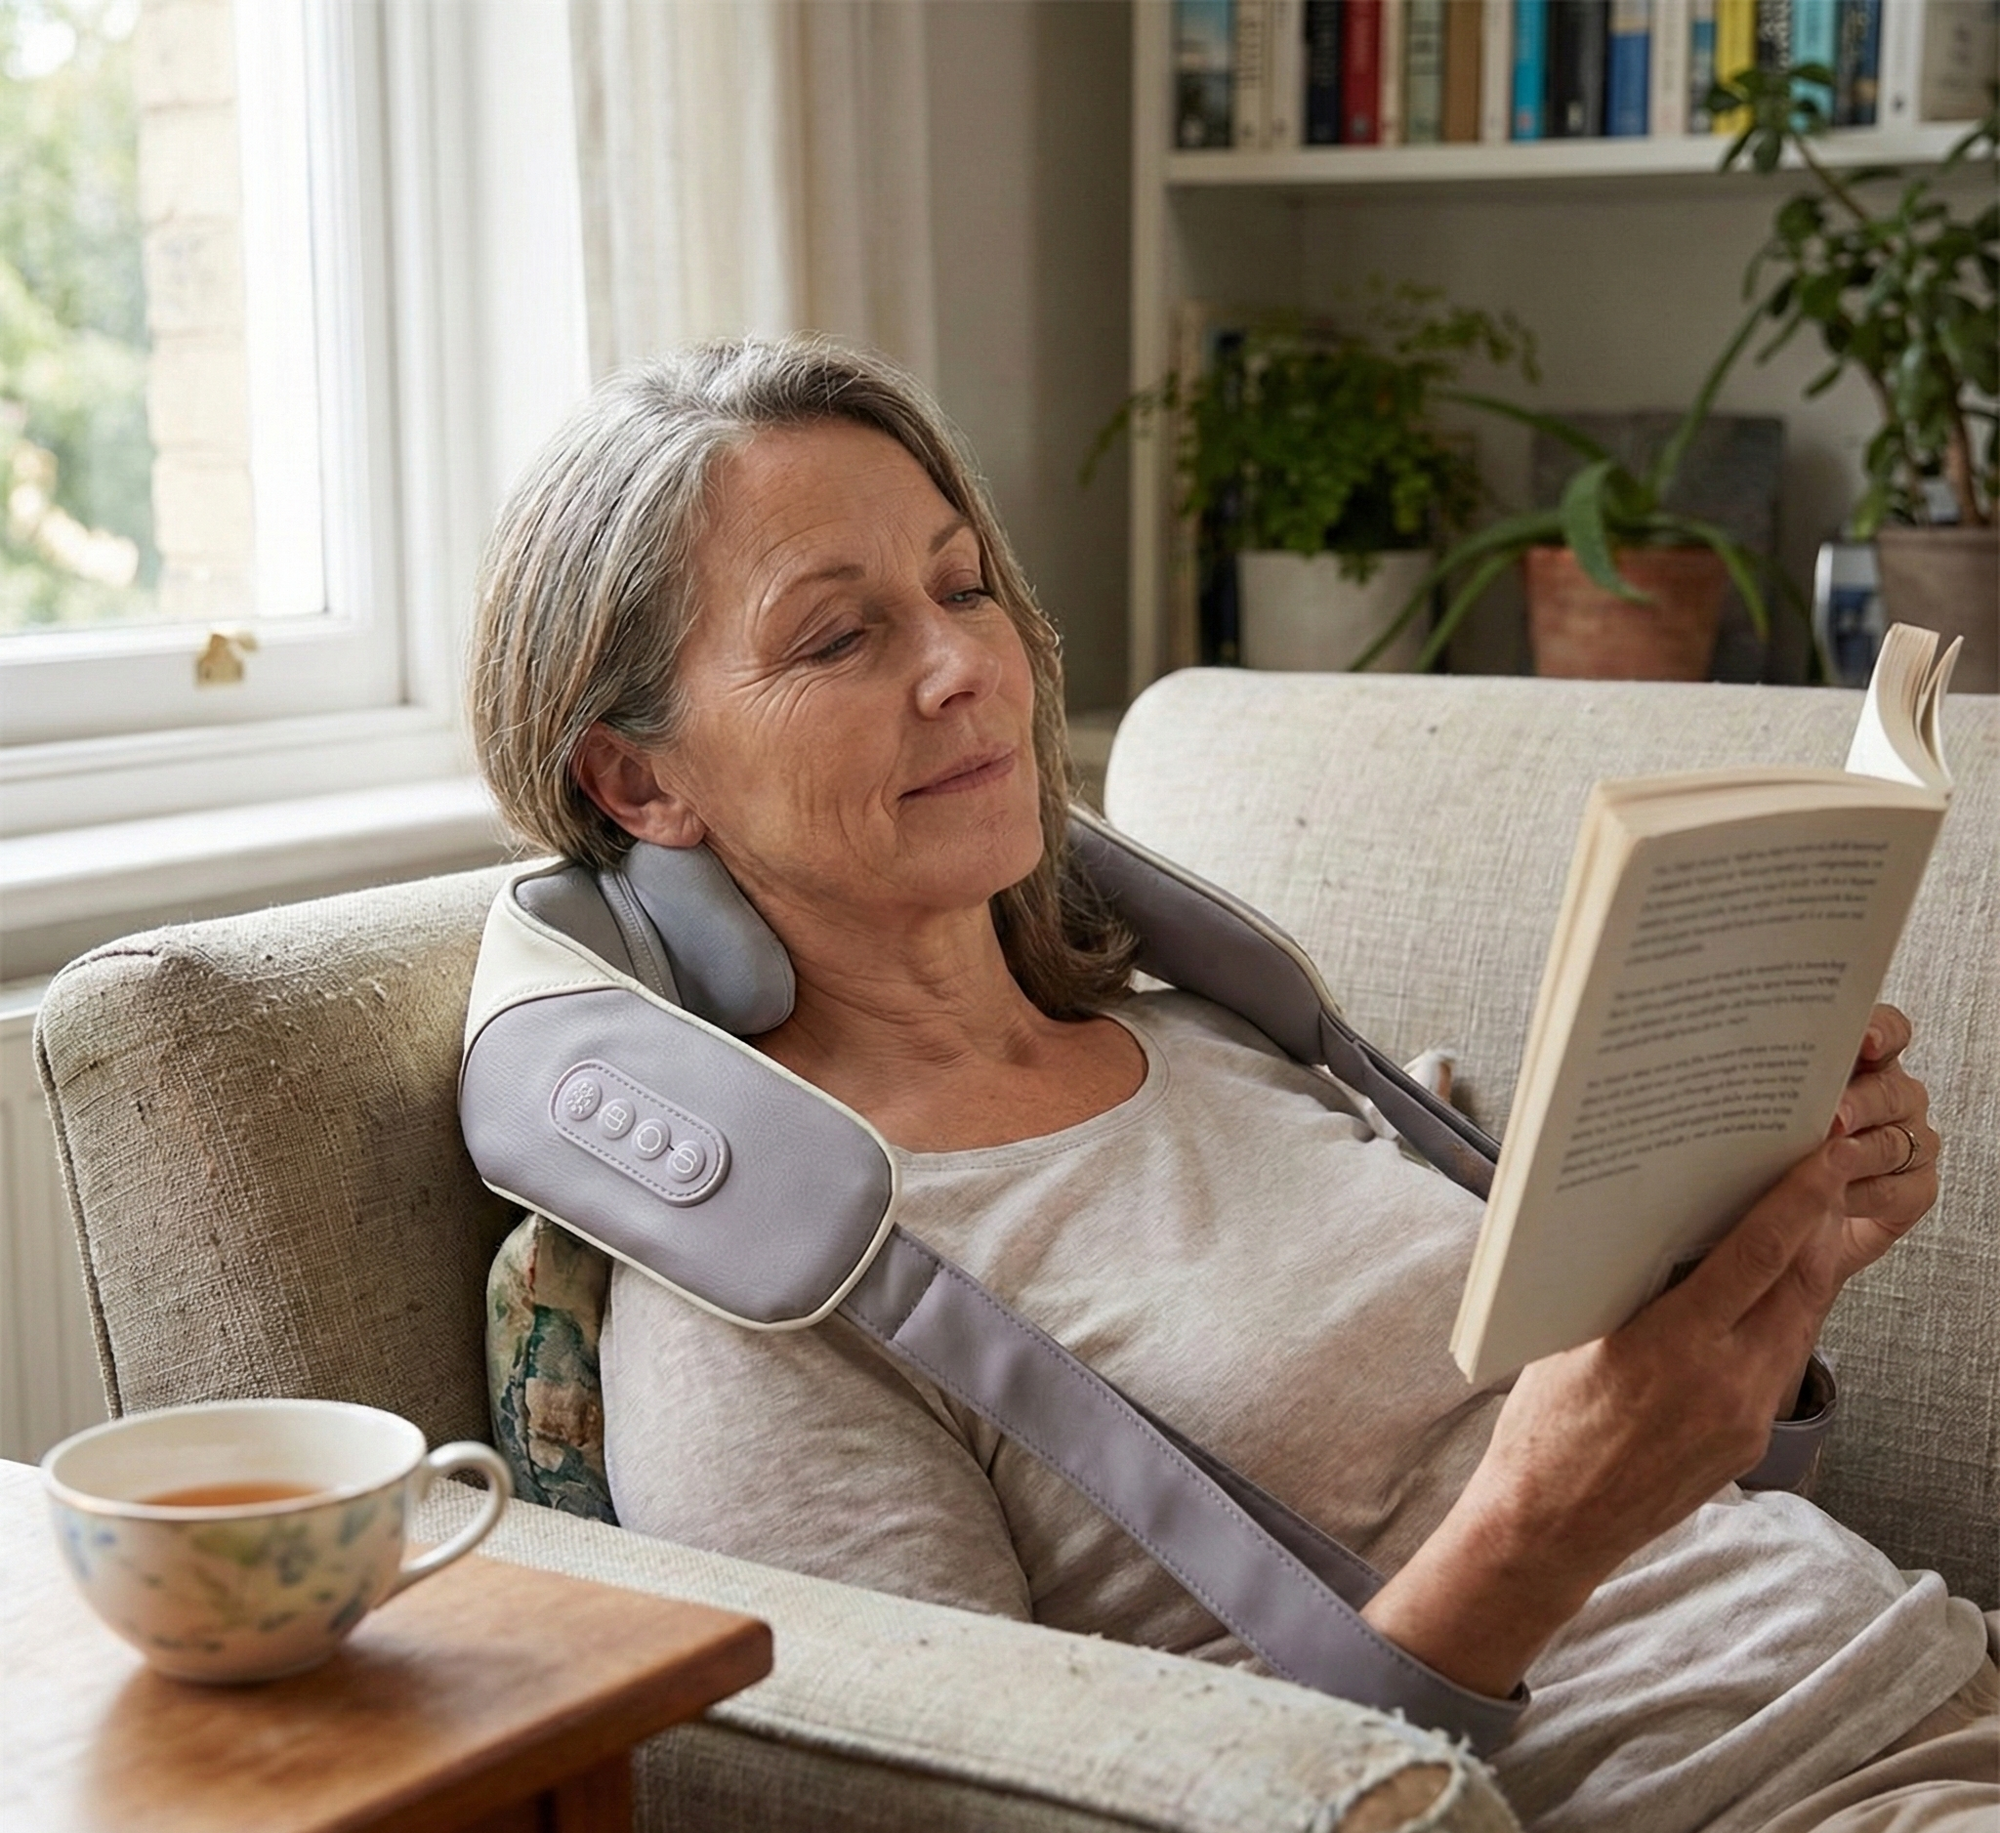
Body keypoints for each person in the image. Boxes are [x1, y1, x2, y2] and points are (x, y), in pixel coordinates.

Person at [469, 337, 1996, 1832]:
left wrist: (1769, 1262)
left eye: (960, 585)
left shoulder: (1223, 1031)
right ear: (638, 782)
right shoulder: (779, 1297)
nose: (962, 669)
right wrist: (1549, 1520)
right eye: (837, 637)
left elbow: (1670, 1488)